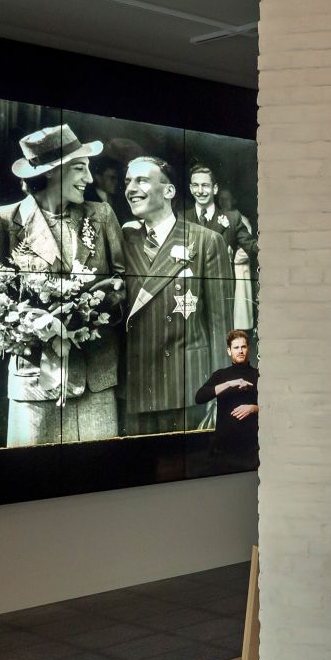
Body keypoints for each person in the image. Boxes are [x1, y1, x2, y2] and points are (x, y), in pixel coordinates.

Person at [0, 124, 125, 446]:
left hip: (97, 376)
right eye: (80, 169)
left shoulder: (102, 214)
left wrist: (89, 311)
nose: (89, 179)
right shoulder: (3, 220)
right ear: (54, 172)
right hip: (35, 380)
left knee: (101, 473)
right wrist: (36, 323)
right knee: (34, 477)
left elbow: (124, 281)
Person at [120, 156, 232, 434]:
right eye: (127, 182)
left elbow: (221, 324)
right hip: (137, 386)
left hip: (188, 385)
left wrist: (222, 390)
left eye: (141, 180)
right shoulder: (124, 241)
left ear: (169, 191)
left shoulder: (206, 241)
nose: (130, 188)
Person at [184, 162, 258, 329]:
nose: (200, 191)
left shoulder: (232, 218)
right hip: (189, 295)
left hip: (221, 296)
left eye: (205, 185)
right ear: (190, 188)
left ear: (215, 189)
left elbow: (251, 245)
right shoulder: (181, 218)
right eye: (195, 185)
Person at [193, 329, 259, 472]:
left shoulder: (258, 375)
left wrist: (253, 408)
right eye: (236, 347)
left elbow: (275, 407)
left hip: (251, 449)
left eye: (243, 347)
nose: (240, 351)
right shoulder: (221, 375)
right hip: (223, 449)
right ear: (229, 351)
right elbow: (199, 397)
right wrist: (229, 384)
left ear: (248, 349)